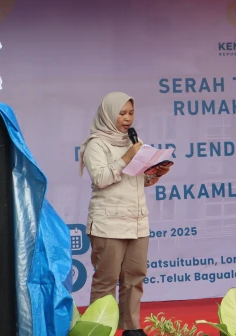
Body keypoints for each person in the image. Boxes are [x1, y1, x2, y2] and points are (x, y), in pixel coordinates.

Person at [79, 92, 171, 336]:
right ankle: (101, 329)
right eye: (121, 113)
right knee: (106, 280)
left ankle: (131, 328)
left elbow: (135, 179)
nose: (128, 118)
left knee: (135, 277)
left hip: (137, 221)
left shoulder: (134, 141)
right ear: (108, 114)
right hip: (108, 223)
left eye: (131, 113)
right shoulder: (95, 144)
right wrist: (127, 157)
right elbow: (101, 179)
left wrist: (154, 174)